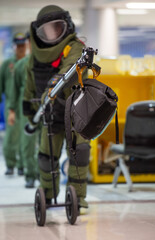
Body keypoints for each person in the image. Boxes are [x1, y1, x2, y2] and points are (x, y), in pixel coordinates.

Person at [23, 5, 90, 208]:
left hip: (76, 112)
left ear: (67, 27)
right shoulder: (35, 58)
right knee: (46, 155)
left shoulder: (75, 47)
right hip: (50, 114)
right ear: (39, 33)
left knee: (80, 152)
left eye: (57, 28)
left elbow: (70, 68)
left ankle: (77, 199)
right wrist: (31, 113)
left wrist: (51, 89)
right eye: (47, 30)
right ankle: (48, 194)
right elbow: (30, 87)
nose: (52, 35)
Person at [8, 33, 39, 188]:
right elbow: (14, 90)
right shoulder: (21, 65)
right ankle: (30, 174)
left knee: (45, 142)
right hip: (26, 108)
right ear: (29, 44)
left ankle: (43, 173)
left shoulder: (49, 65)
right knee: (27, 143)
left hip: (45, 108)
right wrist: (12, 111)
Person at [0, 32, 27, 175]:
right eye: (18, 45)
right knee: (10, 136)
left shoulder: (28, 64)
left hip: (26, 105)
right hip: (11, 105)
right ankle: (11, 164)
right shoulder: (7, 65)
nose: (21, 48)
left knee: (25, 136)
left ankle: (23, 165)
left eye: (23, 45)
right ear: (14, 46)